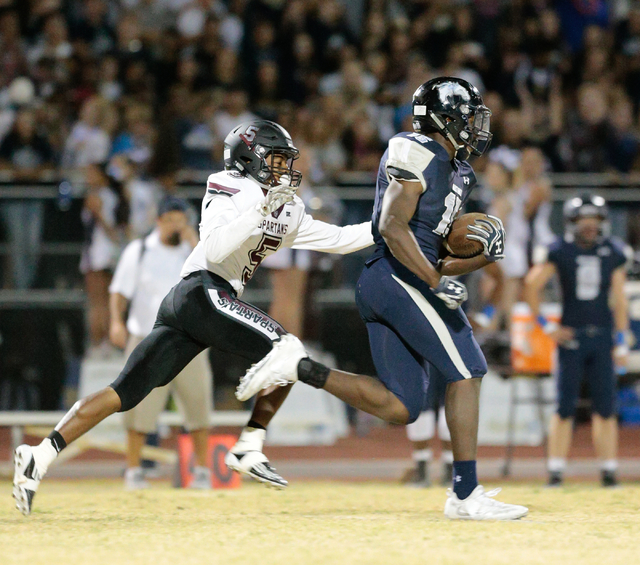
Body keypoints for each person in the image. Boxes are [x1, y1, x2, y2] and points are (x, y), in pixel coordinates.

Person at [12, 119, 374, 516]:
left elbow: (340, 240)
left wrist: (390, 225)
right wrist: (258, 212)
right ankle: (249, 445)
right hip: (201, 291)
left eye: (284, 161)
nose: (283, 170)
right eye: (274, 159)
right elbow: (216, 249)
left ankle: (39, 454)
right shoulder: (229, 186)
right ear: (248, 159)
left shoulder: (286, 207)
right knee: (287, 348)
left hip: (200, 302)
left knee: (124, 392)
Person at [236, 77, 528, 520]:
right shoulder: (414, 149)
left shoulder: (458, 170)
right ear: (444, 119)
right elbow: (392, 225)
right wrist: (433, 279)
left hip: (401, 278)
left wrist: (480, 258)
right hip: (397, 276)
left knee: (401, 406)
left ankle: (299, 368)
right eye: (468, 116)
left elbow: (440, 252)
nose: (476, 125)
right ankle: (466, 494)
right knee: (468, 368)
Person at [524, 194, 630, 487]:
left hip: (602, 337)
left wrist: (621, 341)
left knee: (606, 408)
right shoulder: (559, 250)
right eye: (583, 219)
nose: (589, 225)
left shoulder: (614, 250)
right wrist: (547, 327)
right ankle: (556, 471)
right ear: (572, 221)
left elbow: (619, 300)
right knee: (563, 406)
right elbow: (531, 286)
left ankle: (609, 471)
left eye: (593, 219)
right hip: (571, 337)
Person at [109, 196, 213, 490]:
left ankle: (203, 470)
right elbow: (119, 290)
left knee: (197, 404)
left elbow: (215, 281)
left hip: (190, 340)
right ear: (159, 220)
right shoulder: (140, 250)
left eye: (181, 219)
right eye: (171, 219)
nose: (177, 225)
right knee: (136, 406)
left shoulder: (194, 252)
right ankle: (133, 470)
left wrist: (196, 245)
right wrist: (117, 321)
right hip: (147, 337)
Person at [401, 367, 452, 487]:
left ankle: (452, 472)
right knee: (419, 410)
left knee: (452, 409)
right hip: (422, 354)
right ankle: (422, 471)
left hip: (454, 353)